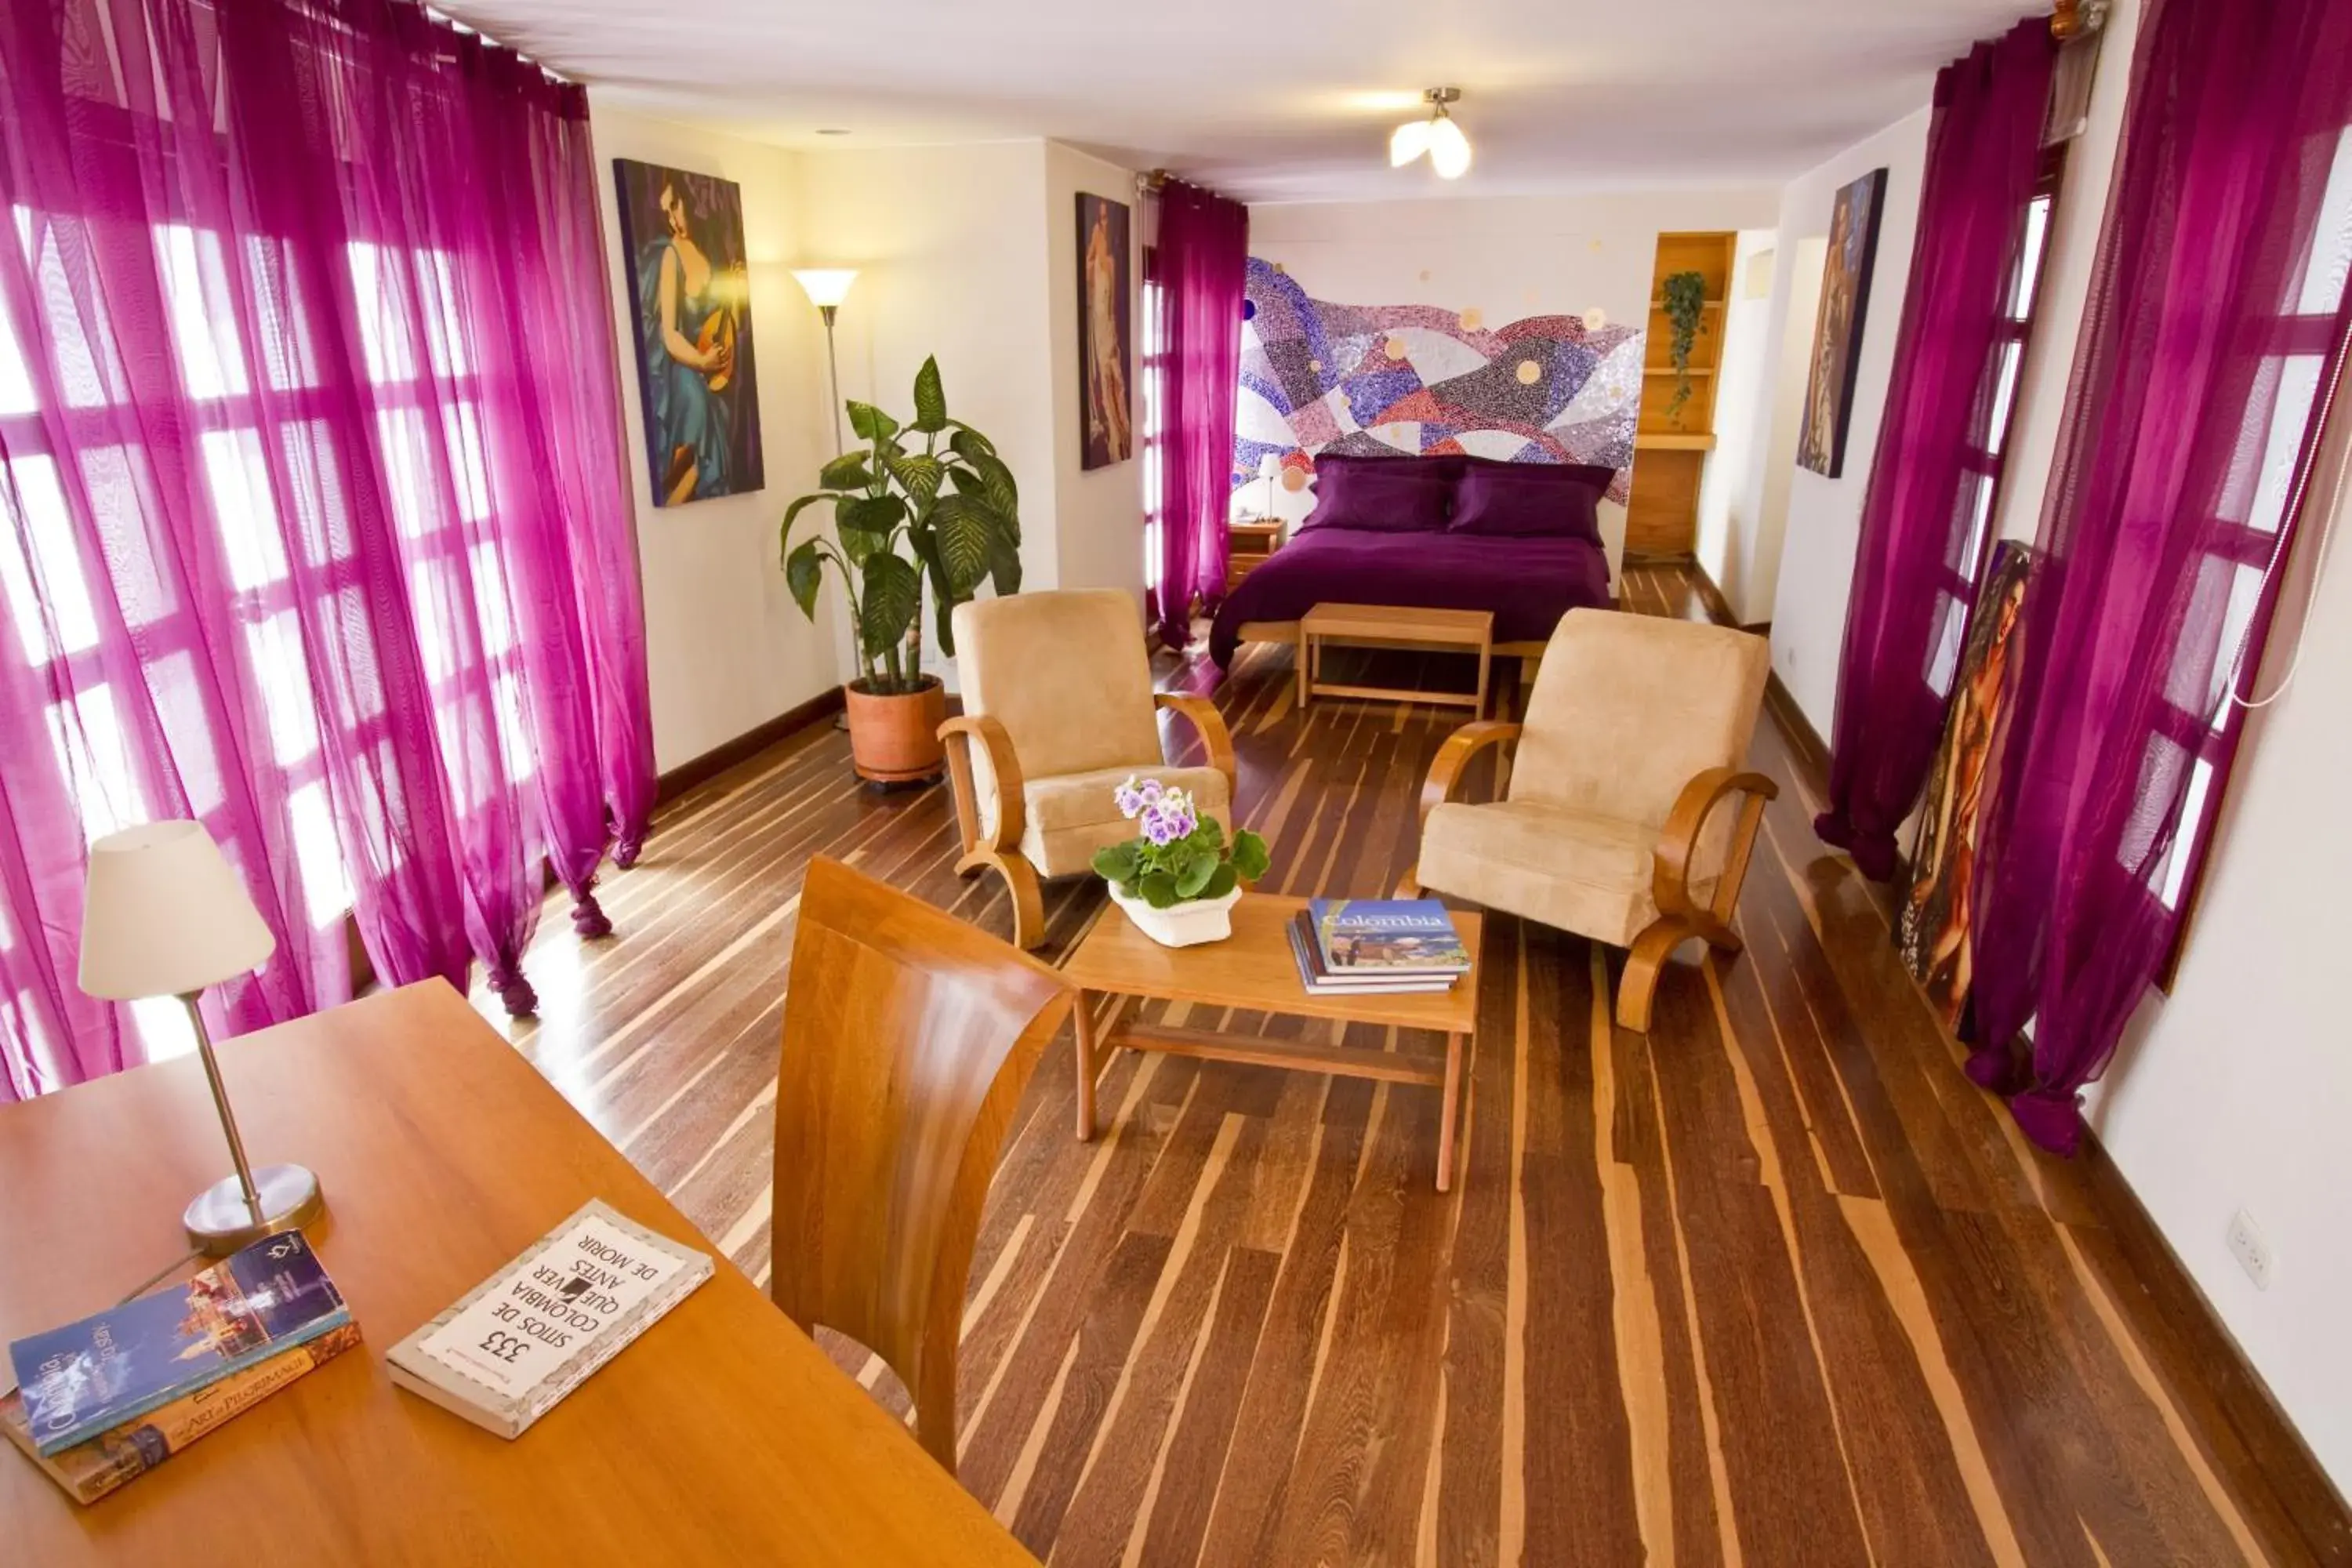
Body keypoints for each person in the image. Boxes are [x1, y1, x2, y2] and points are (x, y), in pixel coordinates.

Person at [638, 176, 739, 503]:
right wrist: (701, 362)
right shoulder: (669, 256)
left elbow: (727, 322)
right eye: (666, 211)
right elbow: (669, 333)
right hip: (683, 364)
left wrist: (737, 289)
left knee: (715, 420)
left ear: (690, 200)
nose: (672, 219)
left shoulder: (708, 247)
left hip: (711, 363)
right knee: (700, 407)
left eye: (675, 206)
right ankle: (668, 510)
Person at [1083, 202, 1132, 463]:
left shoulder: (1111, 264)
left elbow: (1112, 306)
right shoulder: (1093, 266)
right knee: (1103, 378)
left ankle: (1121, 433)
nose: (1102, 227)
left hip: (1107, 326)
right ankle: (1114, 433)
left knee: (1115, 380)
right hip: (1099, 325)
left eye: (1105, 221)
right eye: (1099, 220)